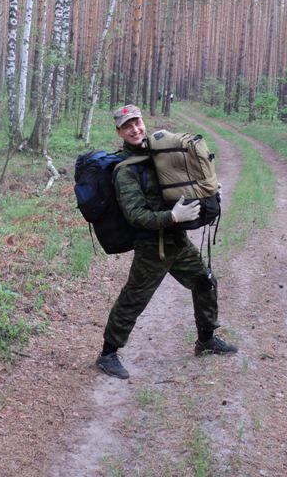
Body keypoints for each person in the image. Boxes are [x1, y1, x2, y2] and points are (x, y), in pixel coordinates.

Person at [96, 104, 237, 379]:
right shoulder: (125, 171)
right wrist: (172, 216)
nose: (134, 129)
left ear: (143, 122)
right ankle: (107, 354)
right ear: (119, 132)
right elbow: (136, 215)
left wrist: (207, 191)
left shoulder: (159, 153)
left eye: (137, 123)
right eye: (127, 126)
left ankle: (206, 339)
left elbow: (181, 183)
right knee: (134, 298)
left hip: (175, 239)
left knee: (205, 281)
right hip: (152, 246)